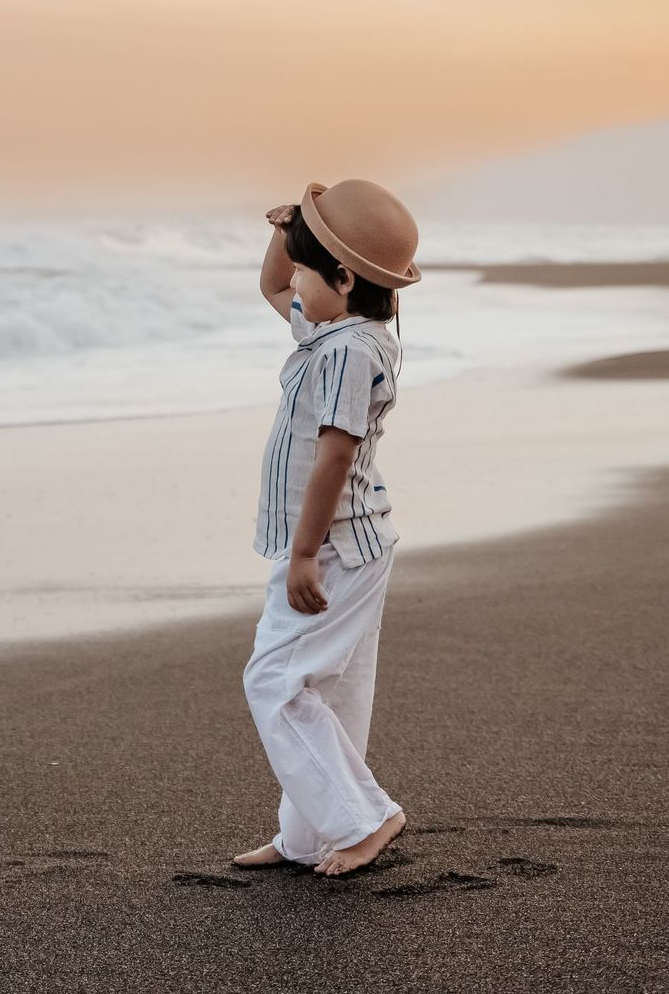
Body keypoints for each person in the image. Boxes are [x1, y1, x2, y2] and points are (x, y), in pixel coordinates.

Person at [231, 178, 422, 877]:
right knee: (328, 693)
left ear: (344, 277)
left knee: (274, 680)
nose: (295, 285)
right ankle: (310, 836)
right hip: (344, 542)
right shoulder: (343, 329)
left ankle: (364, 819)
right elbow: (269, 285)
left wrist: (305, 554)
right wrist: (288, 232)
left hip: (333, 546)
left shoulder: (347, 351)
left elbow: (334, 453)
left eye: (310, 270)